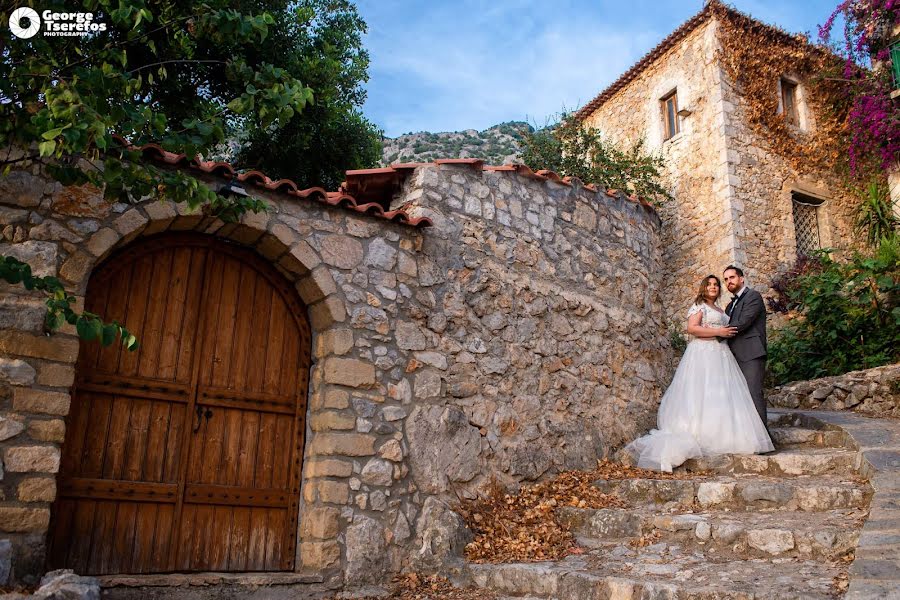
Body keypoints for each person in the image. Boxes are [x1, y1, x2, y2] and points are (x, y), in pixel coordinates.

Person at [625, 274, 774, 472]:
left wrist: (722, 334)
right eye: (709, 284)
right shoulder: (699, 306)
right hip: (703, 353)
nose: (713, 287)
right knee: (702, 393)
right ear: (704, 288)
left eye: (716, 285)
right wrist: (718, 333)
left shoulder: (723, 309)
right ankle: (699, 433)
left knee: (723, 396)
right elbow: (692, 328)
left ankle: (722, 434)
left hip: (722, 355)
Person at [722, 265, 768, 427]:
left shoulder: (753, 296)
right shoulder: (729, 306)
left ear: (741, 278)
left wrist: (718, 331)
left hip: (751, 354)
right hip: (733, 355)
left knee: (754, 394)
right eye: (726, 279)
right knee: (738, 397)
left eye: (732, 277)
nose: (729, 282)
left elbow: (744, 322)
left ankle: (765, 441)